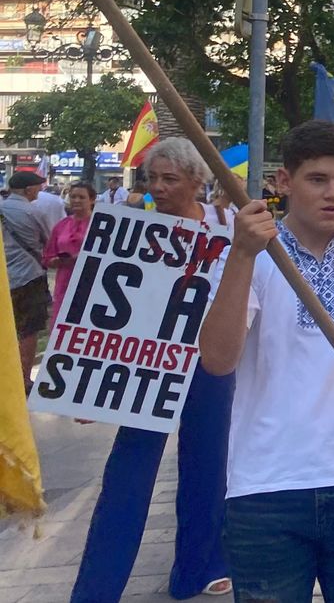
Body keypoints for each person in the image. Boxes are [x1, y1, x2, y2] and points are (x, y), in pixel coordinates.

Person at [199, 120, 334, 602]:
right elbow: (217, 360)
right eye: (317, 179)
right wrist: (240, 254)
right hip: (266, 488)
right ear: (284, 182)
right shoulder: (247, 258)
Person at [71, 140, 233, 601]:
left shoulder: (229, 223)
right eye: (152, 178)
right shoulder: (132, 229)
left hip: (210, 362)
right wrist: (89, 384)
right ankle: (96, 589)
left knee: (208, 468)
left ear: (196, 181)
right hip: (151, 364)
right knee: (128, 474)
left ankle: (198, 569)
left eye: (169, 179)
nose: (158, 188)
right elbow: (101, 307)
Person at [1, 172, 50, 388]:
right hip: (30, 277)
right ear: (29, 190)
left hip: (5, 278)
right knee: (29, 330)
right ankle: (21, 379)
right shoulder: (33, 212)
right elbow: (48, 240)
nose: (39, 191)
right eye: (38, 188)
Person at [42, 181, 94, 324]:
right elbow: (47, 257)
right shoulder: (61, 225)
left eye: (82, 197)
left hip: (91, 283)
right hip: (64, 283)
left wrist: (82, 256)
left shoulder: (99, 225)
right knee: (61, 324)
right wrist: (57, 261)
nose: (76, 200)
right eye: (73, 196)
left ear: (92, 200)